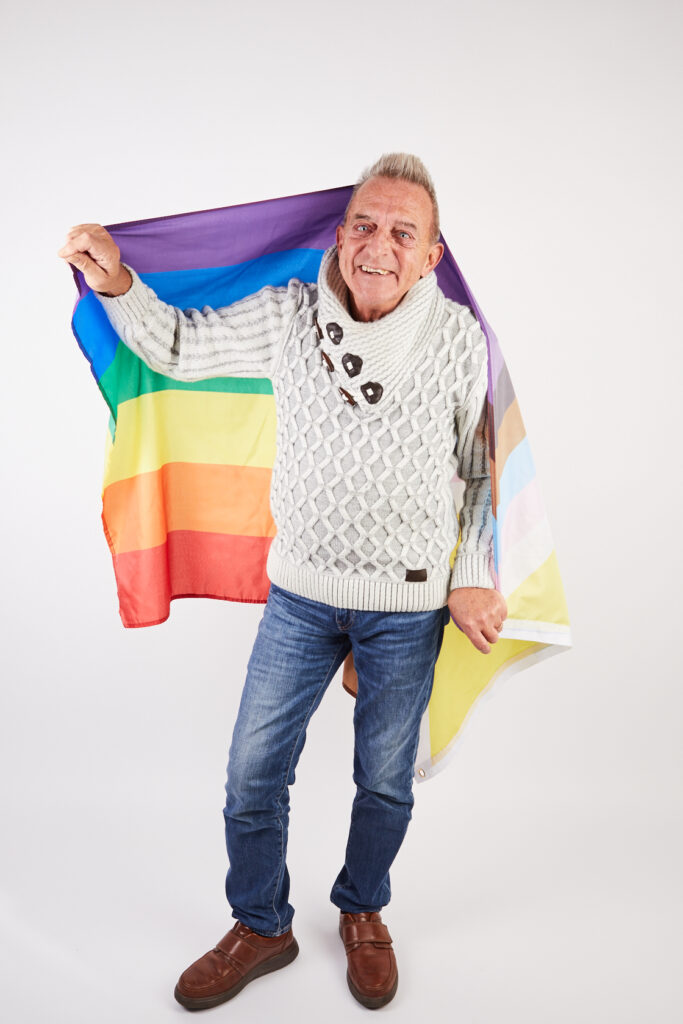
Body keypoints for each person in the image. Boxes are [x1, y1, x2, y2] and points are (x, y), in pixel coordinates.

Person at [58, 153, 508, 1011]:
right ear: (339, 237)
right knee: (251, 774)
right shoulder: (289, 313)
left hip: (408, 609)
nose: (378, 245)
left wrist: (472, 578)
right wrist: (116, 279)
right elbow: (182, 347)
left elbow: (480, 471)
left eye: (401, 233)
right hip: (300, 597)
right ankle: (262, 923)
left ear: (431, 254)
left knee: (383, 778)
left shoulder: (456, 337)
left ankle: (363, 908)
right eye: (364, 226)